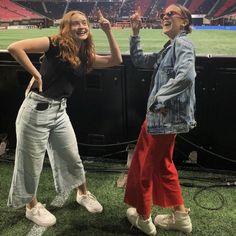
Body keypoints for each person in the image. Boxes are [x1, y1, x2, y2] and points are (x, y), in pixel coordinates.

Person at [7, 10, 122, 227]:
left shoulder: (83, 54)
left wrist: (108, 31)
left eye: (84, 23)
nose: (82, 27)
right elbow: (16, 47)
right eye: (75, 24)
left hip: (59, 111)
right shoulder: (55, 43)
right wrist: (36, 73)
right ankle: (31, 207)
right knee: (30, 163)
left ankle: (83, 194)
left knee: (72, 155)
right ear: (66, 28)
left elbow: (115, 59)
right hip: (36, 111)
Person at [124, 4, 196, 235]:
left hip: (162, 118)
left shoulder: (183, 43)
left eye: (170, 14)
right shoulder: (170, 47)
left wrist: (158, 100)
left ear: (184, 21)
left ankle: (144, 217)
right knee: (163, 165)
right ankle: (181, 216)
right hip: (162, 119)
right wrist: (135, 33)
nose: (165, 17)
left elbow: (186, 76)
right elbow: (140, 61)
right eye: (163, 14)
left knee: (145, 165)